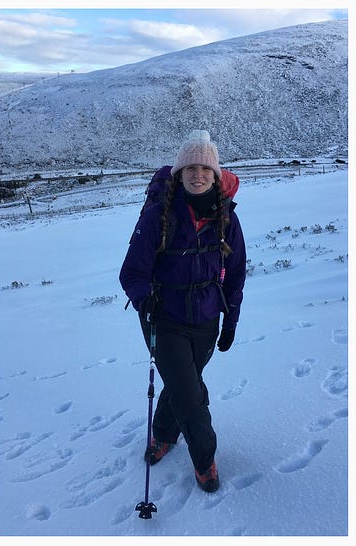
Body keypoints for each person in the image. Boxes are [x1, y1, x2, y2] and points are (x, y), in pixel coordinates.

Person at [120, 130, 246, 493]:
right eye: (190, 167)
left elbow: (235, 274)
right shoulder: (160, 216)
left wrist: (230, 322)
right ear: (179, 172)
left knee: (180, 384)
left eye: (205, 168)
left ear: (215, 174)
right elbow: (131, 273)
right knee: (191, 395)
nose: (198, 174)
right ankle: (205, 460)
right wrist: (147, 299)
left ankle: (162, 434)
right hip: (164, 319)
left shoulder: (227, 220)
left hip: (207, 318)